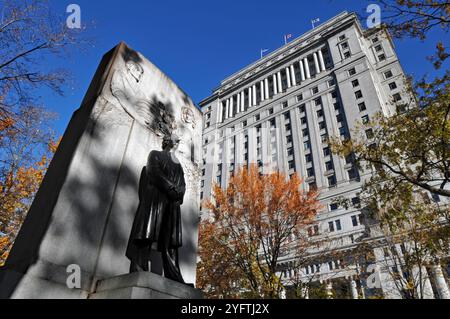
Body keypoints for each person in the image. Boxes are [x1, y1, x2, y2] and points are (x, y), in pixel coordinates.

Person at [126, 134, 186, 284]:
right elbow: (153, 172)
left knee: (171, 241)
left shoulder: (178, 164)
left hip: (172, 204)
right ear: (166, 141)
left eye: (178, 140)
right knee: (147, 233)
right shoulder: (155, 154)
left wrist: (179, 192)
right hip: (156, 199)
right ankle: (139, 267)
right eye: (175, 139)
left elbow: (183, 184)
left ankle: (174, 276)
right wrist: (171, 188)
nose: (178, 141)